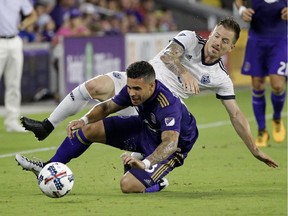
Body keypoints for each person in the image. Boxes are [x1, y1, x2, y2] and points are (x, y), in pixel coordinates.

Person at [21, 17, 277, 167]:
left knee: (130, 136)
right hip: (140, 82)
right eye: (216, 36)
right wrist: (184, 72)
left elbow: (235, 114)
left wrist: (253, 148)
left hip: (159, 103)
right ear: (210, 33)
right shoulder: (189, 37)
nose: (217, 43)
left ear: (231, 47)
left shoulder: (221, 78)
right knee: (94, 87)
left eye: (224, 41)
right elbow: (168, 56)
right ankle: (47, 125)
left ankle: (142, 162)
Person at [16, 60, 200, 193]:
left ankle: (157, 183)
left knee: (128, 185)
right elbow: (107, 107)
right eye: (129, 87)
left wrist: (144, 163)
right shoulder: (133, 89)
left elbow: (170, 143)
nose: (132, 93)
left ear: (151, 86)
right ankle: (50, 167)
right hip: (146, 128)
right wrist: (84, 120)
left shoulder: (168, 105)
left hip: (172, 147)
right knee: (88, 130)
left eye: (137, 89)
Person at [234, 0, 287, 147]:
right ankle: (262, 130)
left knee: (277, 85)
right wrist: (242, 10)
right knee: (257, 84)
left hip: (280, 40)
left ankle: (276, 118)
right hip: (256, 40)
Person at [0, 0, 37, 132]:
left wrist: (22, 24)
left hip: (14, 40)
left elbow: (32, 14)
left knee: (13, 83)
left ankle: (12, 121)